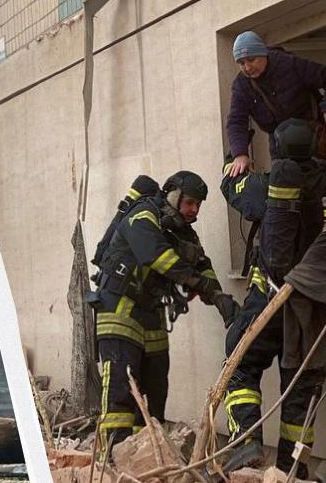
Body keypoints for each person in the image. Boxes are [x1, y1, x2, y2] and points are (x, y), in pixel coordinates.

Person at [220, 120, 326, 478]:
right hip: (314, 309)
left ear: (278, 151)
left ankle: (246, 442)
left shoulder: (266, 186)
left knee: (240, 367)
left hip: (269, 300)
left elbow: (231, 184)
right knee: (301, 390)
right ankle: (292, 470)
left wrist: (236, 151)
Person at [89, 172, 240, 459]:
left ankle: (144, 456)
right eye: (190, 202)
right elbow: (156, 255)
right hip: (120, 307)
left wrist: (218, 296)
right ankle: (112, 457)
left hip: (152, 313)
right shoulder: (143, 215)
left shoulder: (183, 231)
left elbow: (201, 263)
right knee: (122, 385)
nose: (194, 210)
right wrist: (199, 284)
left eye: (199, 205)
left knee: (155, 390)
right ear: (172, 195)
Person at [225, 31, 326, 177]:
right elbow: (236, 121)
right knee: (283, 185)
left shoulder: (289, 64)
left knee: (317, 181)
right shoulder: (241, 85)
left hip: (312, 135)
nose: (247, 67)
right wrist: (240, 154)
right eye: (241, 63)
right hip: (279, 145)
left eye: (251, 60)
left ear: (263, 53)